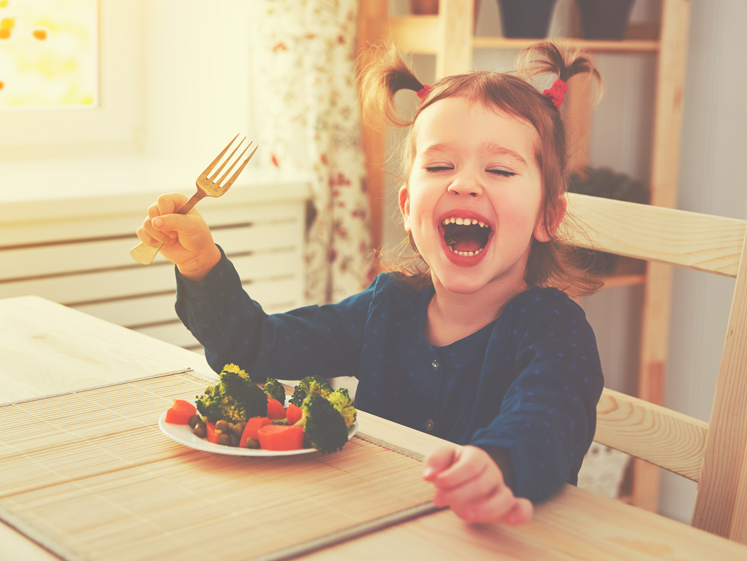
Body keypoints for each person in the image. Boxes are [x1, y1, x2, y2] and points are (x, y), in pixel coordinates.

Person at [136, 40, 604, 527]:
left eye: (500, 169)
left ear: (547, 215)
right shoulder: (388, 308)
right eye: (440, 166)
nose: (463, 184)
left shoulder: (554, 329)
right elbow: (256, 347)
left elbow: (549, 419)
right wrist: (200, 265)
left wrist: (498, 465)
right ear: (406, 209)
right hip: (376, 526)